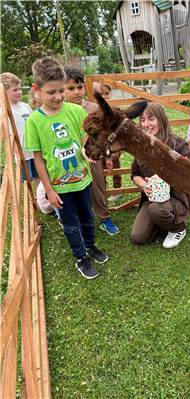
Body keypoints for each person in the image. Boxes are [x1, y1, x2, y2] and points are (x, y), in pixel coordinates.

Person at [25, 56, 108, 280]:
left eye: (62, 90)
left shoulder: (75, 111)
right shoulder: (34, 122)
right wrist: (49, 190)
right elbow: (39, 159)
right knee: (71, 224)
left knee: (87, 217)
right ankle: (81, 257)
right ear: (37, 89)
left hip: (83, 180)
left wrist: (85, 151)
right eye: (51, 92)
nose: (59, 96)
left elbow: (83, 140)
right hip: (59, 187)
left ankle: (90, 246)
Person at [64, 65, 120, 236]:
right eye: (71, 88)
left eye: (79, 87)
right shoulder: (61, 112)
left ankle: (104, 218)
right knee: (75, 189)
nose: (76, 92)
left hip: (93, 155)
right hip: (71, 158)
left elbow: (105, 135)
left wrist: (108, 157)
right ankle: (79, 220)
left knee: (98, 185)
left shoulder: (95, 109)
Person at [130, 102, 190, 249]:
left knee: (157, 210)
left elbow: (189, 176)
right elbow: (135, 174)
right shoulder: (141, 146)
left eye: (151, 119)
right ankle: (161, 222)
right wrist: (143, 185)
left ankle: (178, 228)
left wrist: (171, 174)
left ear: (161, 119)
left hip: (177, 197)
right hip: (152, 198)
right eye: (142, 120)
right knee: (138, 237)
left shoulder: (178, 145)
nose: (146, 124)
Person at [0, 72, 39, 185]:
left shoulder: (25, 106)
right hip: (19, 154)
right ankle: (30, 202)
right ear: (3, 92)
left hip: (33, 150)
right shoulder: (3, 111)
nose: (19, 92)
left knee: (39, 176)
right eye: (15, 90)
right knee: (25, 183)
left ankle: (41, 200)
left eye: (20, 89)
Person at [96, 82, 123, 202]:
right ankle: (104, 190)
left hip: (114, 145)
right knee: (101, 167)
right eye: (101, 94)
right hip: (100, 145)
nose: (105, 96)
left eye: (107, 93)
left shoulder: (114, 109)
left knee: (115, 165)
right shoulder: (95, 110)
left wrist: (117, 148)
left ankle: (117, 189)